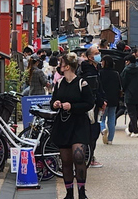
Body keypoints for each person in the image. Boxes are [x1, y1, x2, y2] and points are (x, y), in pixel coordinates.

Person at [50, 53, 94, 199]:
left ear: (67, 66)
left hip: (79, 123)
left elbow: (89, 103)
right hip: (63, 123)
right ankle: (69, 193)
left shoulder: (82, 83)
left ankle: (82, 191)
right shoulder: (59, 83)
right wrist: (55, 104)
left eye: (61, 64)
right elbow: (53, 101)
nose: (59, 67)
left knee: (79, 156)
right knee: (66, 160)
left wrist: (72, 106)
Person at [79, 46, 106, 168]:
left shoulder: (96, 69)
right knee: (92, 131)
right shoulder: (88, 72)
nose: (98, 55)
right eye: (96, 53)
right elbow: (93, 91)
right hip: (91, 105)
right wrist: (100, 101)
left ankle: (88, 155)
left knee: (93, 131)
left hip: (95, 104)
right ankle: (88, 156)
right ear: (90, 57)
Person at [120, 54, 138, 137]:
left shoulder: (126, 70)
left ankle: (135, 131)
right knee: (136, 113)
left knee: (131, 113)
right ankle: (131, 128)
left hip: (129, 94)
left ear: (128, 62)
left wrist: (123, 91)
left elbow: (122, 82)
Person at [99, 56, 122, 145]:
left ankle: (103, 129)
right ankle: (110, 139)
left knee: (102, 117)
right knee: (112, 118)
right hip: (114, 98)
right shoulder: (116, 73)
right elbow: (119, 86)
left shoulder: (100, 73)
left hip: (103, 99)